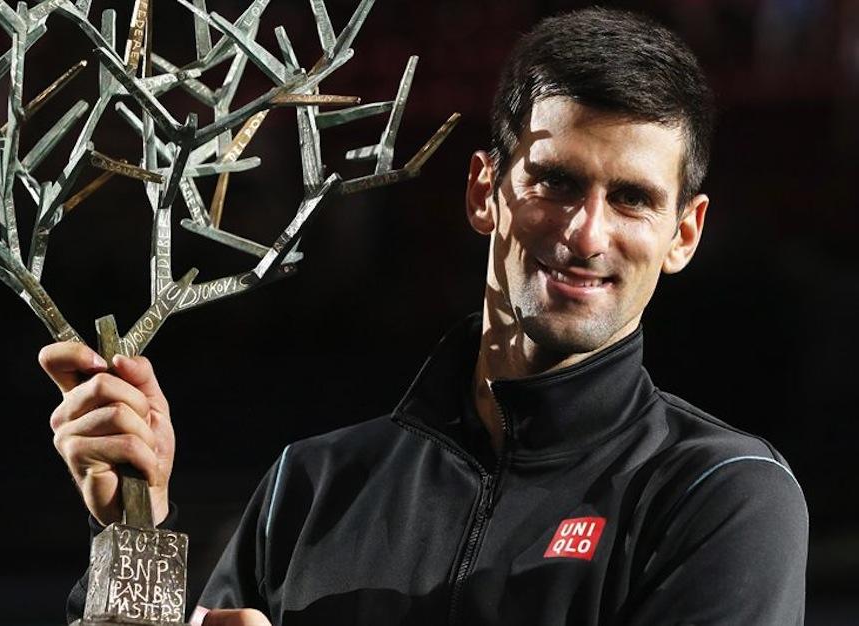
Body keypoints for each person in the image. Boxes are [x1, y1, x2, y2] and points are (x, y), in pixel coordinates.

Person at [41, 7, 808, 626]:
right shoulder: (312, 487)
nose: (585, 233)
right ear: (485, 191)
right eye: (556, 181)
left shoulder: (722, 496)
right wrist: (132, 537)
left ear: (684, 233)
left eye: (633, 198)